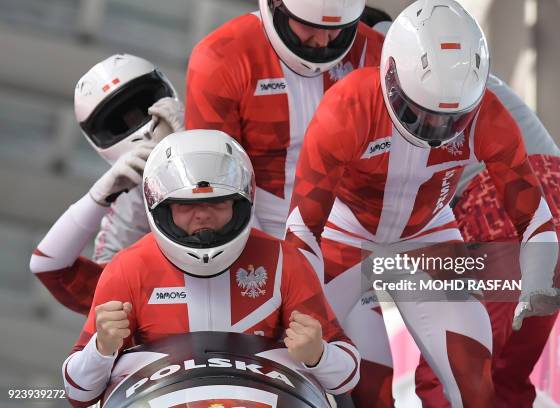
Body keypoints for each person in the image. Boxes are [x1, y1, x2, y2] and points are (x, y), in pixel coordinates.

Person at [93, 1, 392, 405]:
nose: (322, 41)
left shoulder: (382, 54)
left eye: (338, 31)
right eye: (308, 27)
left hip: (349, 235)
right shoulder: (223, 55)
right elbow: (214, 176)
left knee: (377, 386)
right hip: (259, 235)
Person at [285, 1, 560, 406]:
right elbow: (302, 227)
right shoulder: (346, 106)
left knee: (474, 383)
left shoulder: (486, 113)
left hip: (428, 237)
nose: (435, 129)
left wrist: (536, 279)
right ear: (390, 76)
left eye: (450, 119)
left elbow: (534, 215)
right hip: (345, 235)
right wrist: (305, 303)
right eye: (419, 112)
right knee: (327, 370)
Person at [61, 130, 360, 407]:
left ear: (241, 202)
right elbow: (78, 391)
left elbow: (347, 374)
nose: (202, 216)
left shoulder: (285, 260)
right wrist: (101, 348)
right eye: (185, 205)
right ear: (160, 207)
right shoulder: (128, 269)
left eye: (218, 203)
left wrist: (318, 355)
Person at [414, 75, 560, 408]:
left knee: (446, 372)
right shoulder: (471, 74)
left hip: (508, 228)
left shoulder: (400, 92)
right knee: (507, 381)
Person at [29, 54, 184, 314]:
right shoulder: (126, 210)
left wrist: (196, 139)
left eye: (146, 107)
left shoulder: (231, 141)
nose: (143, 128)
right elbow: (50, 268)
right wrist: (98, 197)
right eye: (119, 122)